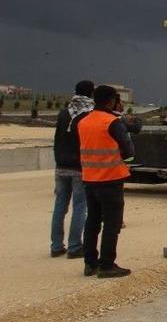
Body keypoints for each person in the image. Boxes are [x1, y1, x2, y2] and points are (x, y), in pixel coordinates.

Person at [78, 85, 135, 278]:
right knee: (112, 224)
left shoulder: (83, 122)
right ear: (111, 101)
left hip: (89, 180)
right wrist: (123, 160)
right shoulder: (112, 122)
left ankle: (90, 263)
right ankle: (107, 264)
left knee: (92, 221)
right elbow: (128, 150)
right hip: (110, 179)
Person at [50, 80, 94, 259]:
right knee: (80, 207)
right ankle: (75, 246)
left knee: (60, 206)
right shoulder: (88, 114)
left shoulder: (63, 113)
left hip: (61, 166)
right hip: (79, 167)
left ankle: (56, 246)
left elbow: (56, 140)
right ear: (91, 93)